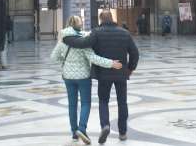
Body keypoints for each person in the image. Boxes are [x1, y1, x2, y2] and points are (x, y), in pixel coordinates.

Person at [64, 11, 139, 144]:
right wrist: (130, 69)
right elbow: (135, 53)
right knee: (123, 102)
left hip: (103, 74)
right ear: (113, 18)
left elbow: (82, 43)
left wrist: (66, 38)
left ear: (100, 20)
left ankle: (105, 125)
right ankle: (122, 132)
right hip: (121, 73)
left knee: (103, 101)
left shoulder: (97, 32)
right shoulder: (124, 33)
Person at [51, 16, 123, 145]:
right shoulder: (84, 40)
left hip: (68, 77)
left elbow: (53, 57)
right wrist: (111, 63)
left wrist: (65, 62)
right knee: (85, 104)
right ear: (80, 24)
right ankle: (82, 129)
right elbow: (93, 58)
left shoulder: (63, 40)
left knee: (72, 105)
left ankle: (74, 133)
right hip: (83, 76)